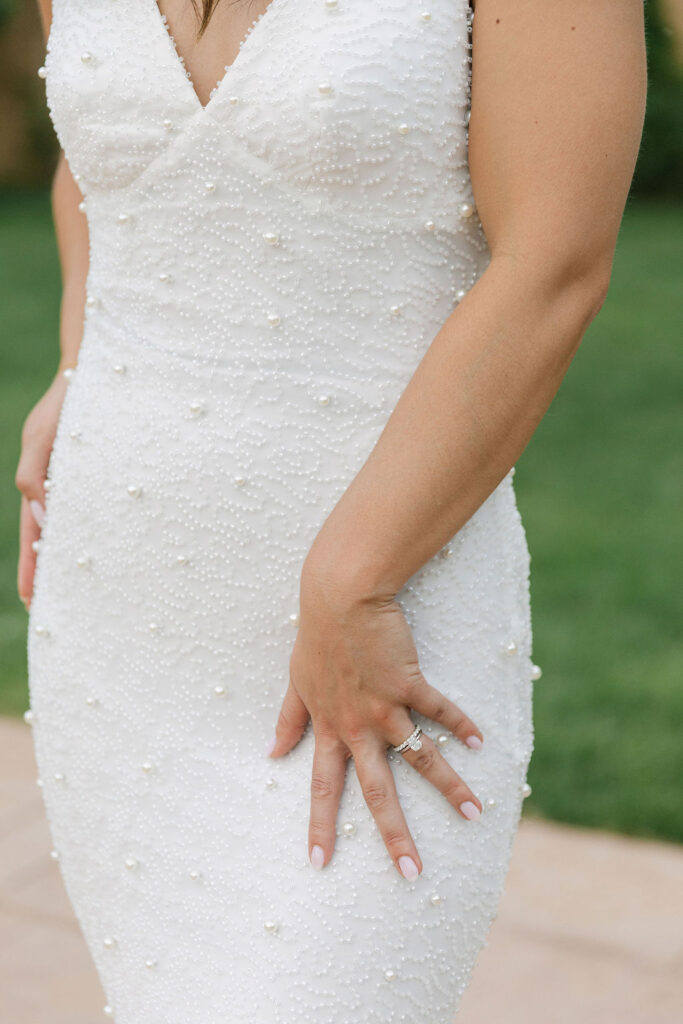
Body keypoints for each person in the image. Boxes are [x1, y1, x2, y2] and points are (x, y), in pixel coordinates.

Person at [15, 0, 647, 1020]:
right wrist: (74, 363)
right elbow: (98, 159)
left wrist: (354, 578)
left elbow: (554, 262)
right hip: (119, 613)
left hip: (384, 614)